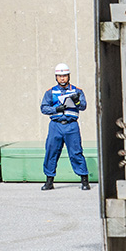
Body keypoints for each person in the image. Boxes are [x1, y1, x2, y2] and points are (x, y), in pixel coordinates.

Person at [40, 63, 90, 191]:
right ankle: (49, 181)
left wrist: (76, 101)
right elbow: (44, 108)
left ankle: (84, 180)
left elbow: (83, 106)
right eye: (60, 76)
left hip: (71, 125)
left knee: (76, 152)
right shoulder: (50, 92)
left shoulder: (77, 91)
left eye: (65, 76)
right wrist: (56, 108)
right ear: (56, 77)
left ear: (69, 76)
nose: (62, 78)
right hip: (55, 125)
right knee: (51, 152)